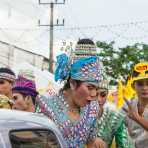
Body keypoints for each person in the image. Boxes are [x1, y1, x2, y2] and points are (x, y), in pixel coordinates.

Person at [36, 54, 106, 147]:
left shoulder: (91, 110)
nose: (94, 94)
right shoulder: (46, 106)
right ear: (73, 83)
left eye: (96, 89)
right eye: (90, 87)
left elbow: (91, 142)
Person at [121, 62, 148, 147]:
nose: (145, 88)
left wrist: (137, 118)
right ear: (133, 86)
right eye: (140, 84)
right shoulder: (127, 106)